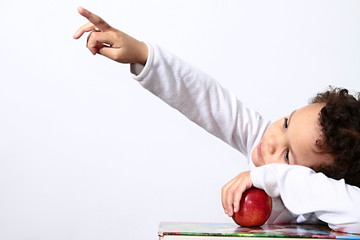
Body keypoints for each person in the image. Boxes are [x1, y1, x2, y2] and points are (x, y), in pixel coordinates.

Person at [73, 7, 360, 234]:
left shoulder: (332, 203)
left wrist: (268, 176)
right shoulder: (262, 141)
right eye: (286, 123)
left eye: (287, 154)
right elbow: (209, 99)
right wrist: (141, 53)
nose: (271, 139)